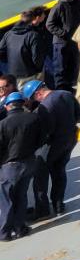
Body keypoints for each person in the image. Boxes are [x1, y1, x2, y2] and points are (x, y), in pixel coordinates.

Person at [25, 79, 77, 221]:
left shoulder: (44, 107)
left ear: (38, 93)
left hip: (52, 145)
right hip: (70, 140)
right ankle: (59, 205)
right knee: (59, 171)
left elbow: (46, 131)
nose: (35, 101)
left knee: (40, 176)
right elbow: (77, 113)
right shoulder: (66, 94)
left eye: (33, 98)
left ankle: (42, 211)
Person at [0, 91, 43, 241]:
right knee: (21, 196)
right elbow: (41, 139)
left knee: (6, 200)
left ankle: (4, 233)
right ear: (22, 103)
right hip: (29, 163)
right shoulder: (34, 118)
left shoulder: (3, 124)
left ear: (7, 107)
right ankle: (20, 228)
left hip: (10, 167)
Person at [46, 0, 80, 88]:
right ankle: (61, 89)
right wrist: (63, 33)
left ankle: (70, 86)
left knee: (74, 64)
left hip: (75, 40)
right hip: (61, 42)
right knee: (60, 67)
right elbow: (49, 24)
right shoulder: (59, 6)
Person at [1, 9, 50, 89]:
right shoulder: (33, 35)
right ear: (32, 20)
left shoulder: (8, 34)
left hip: (14, 74)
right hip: (30, 74)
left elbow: (1, 50)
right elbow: (37, 58)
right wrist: (38, 70)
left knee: (22, 97)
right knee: (37, 94)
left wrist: (11, 61)